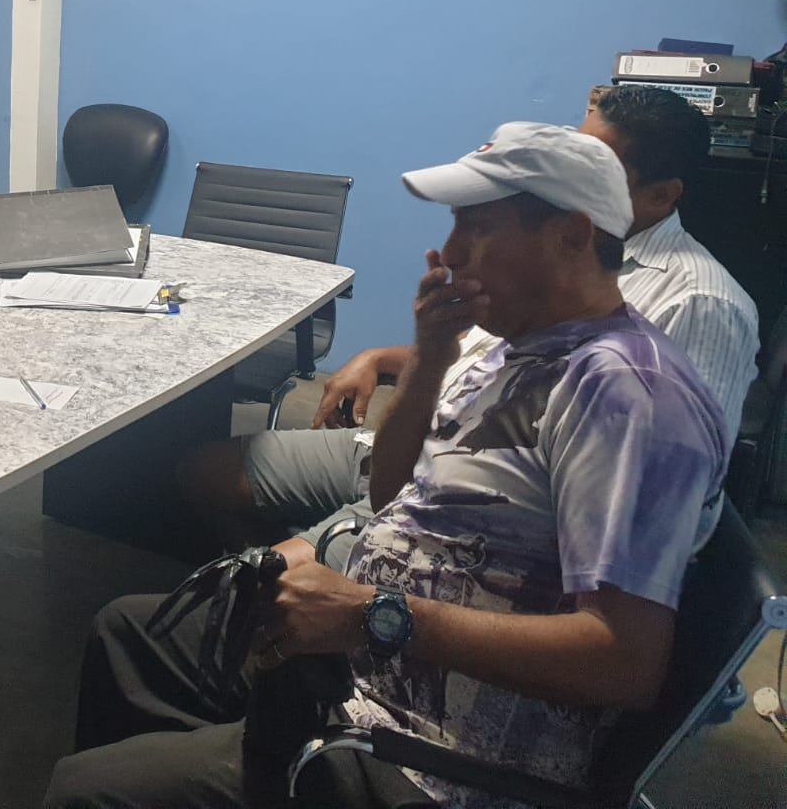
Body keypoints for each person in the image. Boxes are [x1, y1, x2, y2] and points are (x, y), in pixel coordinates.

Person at [46, 123, 730, 809]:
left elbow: (624, 663)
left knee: (86, 791)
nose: (452, 252)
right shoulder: (514, 346)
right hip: (367, 666)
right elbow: (388, 492)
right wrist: (430, 359)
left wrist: (372, 616)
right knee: (128, 634)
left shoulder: (626, 395)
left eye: (478, 228)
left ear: (573, 235)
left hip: (429, 753)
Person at [179, 85, 756, 564]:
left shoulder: (695, 305)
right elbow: (477, 358)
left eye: (600, 166)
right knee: (196, 475)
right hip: (426, 445)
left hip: (473, 503)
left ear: (659, 196)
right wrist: (398, 357)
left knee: (255, 597)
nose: (451, 252)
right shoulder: (543, 285)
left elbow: (659, 518)